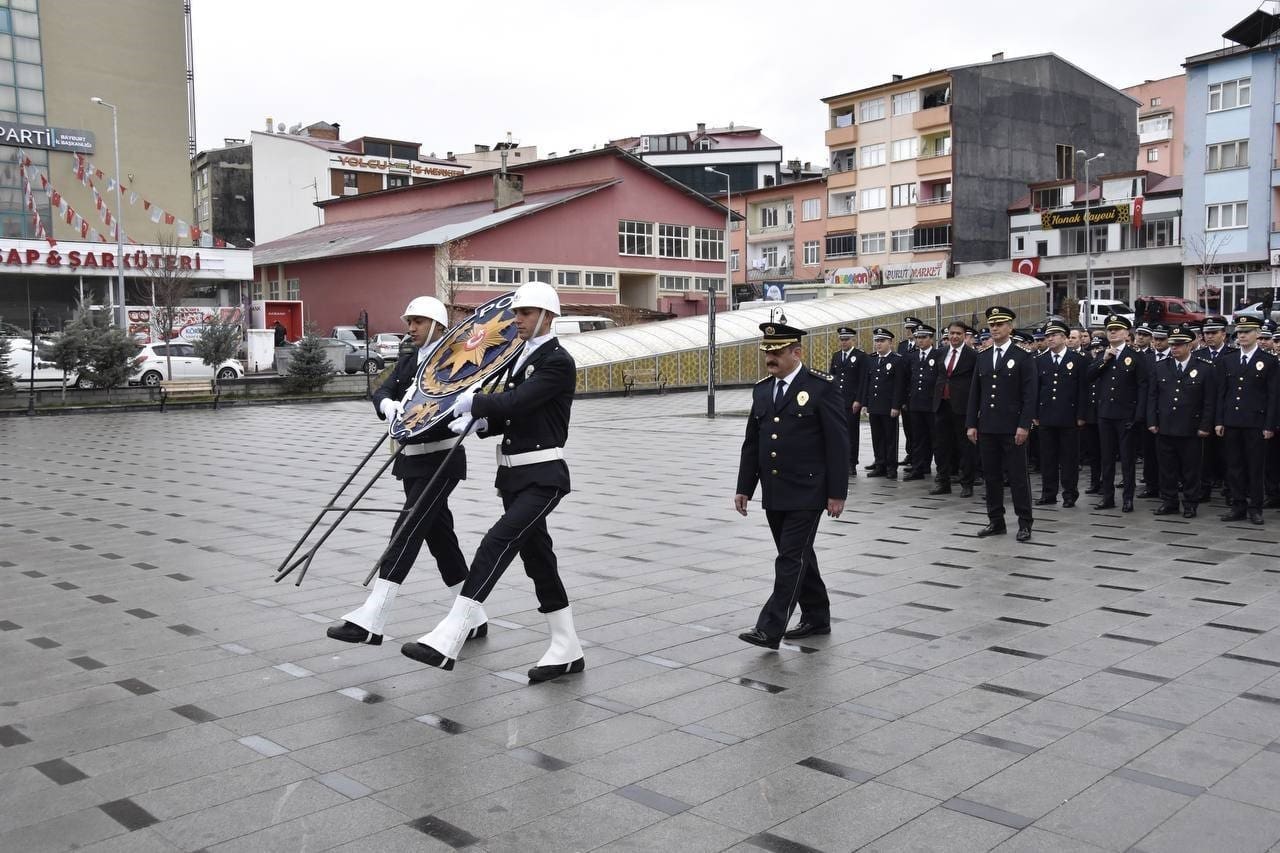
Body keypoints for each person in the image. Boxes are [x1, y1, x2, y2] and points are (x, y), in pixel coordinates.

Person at [401, 281, 583, 681]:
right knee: (539, 561)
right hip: (514, 475)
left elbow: (521, 401)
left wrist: (475, 401)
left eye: (526, 314)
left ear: (548, 317)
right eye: (517, 313)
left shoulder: (557, 360)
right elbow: (516, 413)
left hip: (543, 476)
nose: (517, 320)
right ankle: (566, 646)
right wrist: (482, 421)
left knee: (496, 542)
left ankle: (450, 632)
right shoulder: (522, 358)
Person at [326, 296, 485, 647]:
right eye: (408, 321)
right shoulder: (410, 360)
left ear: (439, 327)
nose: (409, 328)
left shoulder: (456, 363)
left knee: (407, 529)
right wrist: (388, 404)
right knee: (440, 537)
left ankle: (374, 616)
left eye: (417, 322)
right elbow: (382, 389)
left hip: (441, 462)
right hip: (411, 461)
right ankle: (474, 617)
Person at [735, 322, 847, 648]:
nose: (770, 358)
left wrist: (836, 493)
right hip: (775, 489)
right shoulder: (762, 389)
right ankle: (817, 617)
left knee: (789, 559)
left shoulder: (821, 388)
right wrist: (745, 487)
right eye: (767, 352)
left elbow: (838, 445)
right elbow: (752, 444)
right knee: (799, 557)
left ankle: (770, 627)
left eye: (777, 352)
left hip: (809, 490)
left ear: (796, 352)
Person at [966, 305, 1037, 541]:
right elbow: (975, 393)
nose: (994, 329)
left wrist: (1024, 425)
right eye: (992, 325)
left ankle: (1025, 522)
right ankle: (995, 521)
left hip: (1012, 427)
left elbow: (1030, 395)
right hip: (987, 426)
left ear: (1010, 327)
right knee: (992, 476)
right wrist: (971, 424)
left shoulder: (1022, 356)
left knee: (1017, 477)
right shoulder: (983, 356)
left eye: (1000, 324)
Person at [1215, 314, 1280, 525]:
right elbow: (1221, 394)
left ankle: (1255, 507)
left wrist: (1270, 425)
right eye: (1240, 332)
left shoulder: (1268, 361)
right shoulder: (1228, 360)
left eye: (1246, 332)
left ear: (1258, 334)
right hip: (1232, 421)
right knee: (1234, 466)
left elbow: (1273, 397)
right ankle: (1238, 505)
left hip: (1255, 423)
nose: (1242, 336)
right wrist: (1219, 420)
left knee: (1255, 467)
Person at [1147, 324, 1214, 518]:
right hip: (1165, 426)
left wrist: (1205, 425)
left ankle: (1191, 503)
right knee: (1167, 469)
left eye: (1179, 344)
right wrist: (1152, 420)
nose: (1174, 348)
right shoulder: (1161, 367)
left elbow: (1209, 401)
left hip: (1190, 428)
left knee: (1191, 469)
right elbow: (1153, 396)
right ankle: (1169, 502)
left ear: (1190, 345)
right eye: (1172, 344)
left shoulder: (1203, 368)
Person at [1088, 314, 1149, 513]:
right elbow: (1088, 377)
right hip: (1105, 414)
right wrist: (1103, 360)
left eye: (1117, 329)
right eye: (1109, 330)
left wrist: (1138, 416)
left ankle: (1127, 498)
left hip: (1126, 416)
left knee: (1127, 460)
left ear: (1126, 333)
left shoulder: (1136, 356)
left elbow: (1142, 387)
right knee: (1106, 459)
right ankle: (1107, 497)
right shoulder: (1102, 355)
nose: (1112, 332)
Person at [1034, 319, 1088, 507]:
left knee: (1069, 458)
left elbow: (1082, 389)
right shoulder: (1040, 360)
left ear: (1064, 337)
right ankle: (1048, 493)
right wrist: (1035, 414)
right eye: (1047, 336)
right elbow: (1036, 389)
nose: (1050, 339)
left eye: (1054, 335)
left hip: (1069, 416)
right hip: (1046, 416)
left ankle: (1069, 494)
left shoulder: (1078, 360)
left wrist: (1081, 415)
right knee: (1047, 458)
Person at [932, 321, 977, 497]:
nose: (954, 336)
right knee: (941, 446)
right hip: (942, 405)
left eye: (958, 333)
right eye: (951, 333)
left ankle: (967, 483)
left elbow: (975, 383)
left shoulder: (972, 355)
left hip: (962, 406)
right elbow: (938, 376)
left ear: (964, 335)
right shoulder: (941, 352)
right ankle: (943, 482)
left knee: (965, 447)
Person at [858, 328, 907, 479]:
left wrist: (896, 406)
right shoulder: (871, 359)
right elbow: (868, 382)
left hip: (888, 406)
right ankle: (880, 464)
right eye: (876, 341)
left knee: (890, 438)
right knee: (877, 437)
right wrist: (865, 403)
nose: (878, 344)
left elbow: (899, 385)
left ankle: (891, 467)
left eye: (882, 341)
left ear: (890, 343)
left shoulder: (897, 360)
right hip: (874, 404)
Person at [903, 323, 941, 482]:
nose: (920, 341)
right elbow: (906, 381)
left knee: (936, 438)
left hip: (932, 404)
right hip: (916, 404)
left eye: (923, 337)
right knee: (918, 438)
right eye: (918, 337)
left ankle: (941, 470)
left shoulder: (938, 355)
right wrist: (905, 401)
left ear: (931, 339)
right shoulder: (911, 357)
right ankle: (919, 467)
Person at [828, 327, 868, 476]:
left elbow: (863, 380)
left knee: (851, 433)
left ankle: (852, 463)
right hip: (838, 401)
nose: (843, 342)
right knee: (838, 433)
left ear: (853, 340)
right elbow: (832, 377)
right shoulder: (837, 356)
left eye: (846, 339)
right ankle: (840, 461)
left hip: (852, 402)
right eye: (841, 339)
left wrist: (859, 400)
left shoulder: (860, 356)